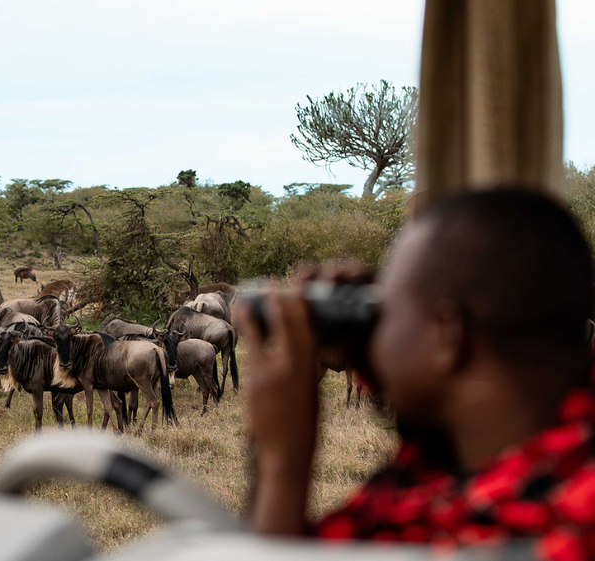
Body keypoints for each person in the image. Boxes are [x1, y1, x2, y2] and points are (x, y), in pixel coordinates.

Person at [237, 189, 595, 561]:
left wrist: (280, 463)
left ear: (447, 335)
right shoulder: (521, 450)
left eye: (385, 311)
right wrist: (388, 363)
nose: (375, 329)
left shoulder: (518, 538)